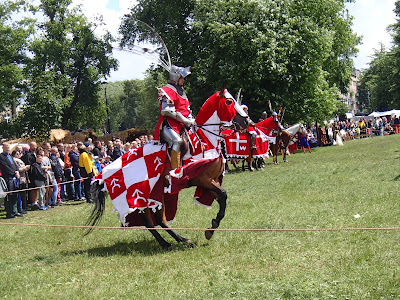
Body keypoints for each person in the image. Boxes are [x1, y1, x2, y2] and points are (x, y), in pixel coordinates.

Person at [153, 65, 194, 168]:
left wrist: (191, 119)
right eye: (182, 78)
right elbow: (165, 110)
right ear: (176, 78)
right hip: (169, 124)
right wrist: (184, 120)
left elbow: (186, 109)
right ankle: (175, 172)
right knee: (177, 141)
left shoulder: (181, 91)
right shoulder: (165, 90)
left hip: (183, 124)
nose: (183, 80)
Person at [0, 143, 22, 218]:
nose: (8, 149)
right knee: (9, 196)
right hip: (8, 178)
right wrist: (13, 173)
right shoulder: (1, 156)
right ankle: (9, 213)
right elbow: (5, 167)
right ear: (3, 148)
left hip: (14, 178)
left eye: (9, 147)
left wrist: (17, 171)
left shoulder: (10, 156)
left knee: (15, 195)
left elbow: (15, 165)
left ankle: (15, 211)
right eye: (6, 147)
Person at [12, 150, 30, 215]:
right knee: (20, 195)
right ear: (14, 155)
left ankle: (23, 208)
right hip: (20, 179)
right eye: (17, 153)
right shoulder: (14, 160)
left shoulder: (19, 160)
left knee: (23, 194)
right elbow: (17, 170)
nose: (19, 154)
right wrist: (25, 168)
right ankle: (20, 209)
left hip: (23, 179)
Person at [22, 141, 38, 210]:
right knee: (32, 188)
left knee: (35, 188)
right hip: (31, 174)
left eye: (35, 146)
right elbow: (29, 165)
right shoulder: (28, 155)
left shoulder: (35, 153)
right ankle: (32, 202)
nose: (34, 147)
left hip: (36, 173)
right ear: (30, 146)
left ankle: (35, 201)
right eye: (33, 146)